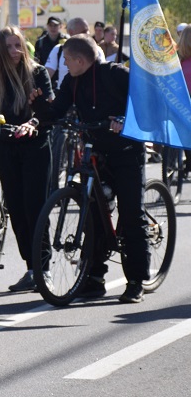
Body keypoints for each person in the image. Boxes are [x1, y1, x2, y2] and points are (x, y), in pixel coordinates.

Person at [47, 35, 149, 303]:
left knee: (131, 216)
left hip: (127, 153)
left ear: (80, 60)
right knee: (93, 215)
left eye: (67, 60)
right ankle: (94, 278)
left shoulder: (116, 74)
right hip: (97, 155)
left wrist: (125, 119)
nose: (65, 65)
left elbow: (144, 100)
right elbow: (57, 109)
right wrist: (35, 116)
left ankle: (137, 280)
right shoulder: (73, 80)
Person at [0, 25, 54, 293]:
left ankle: (44, 269)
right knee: (15, 209)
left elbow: (49, 110)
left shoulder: (36, 72)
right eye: (9, 47)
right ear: (0, 51)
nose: (15, 51)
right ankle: (31, 267)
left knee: (35, 207)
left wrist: (33, 122)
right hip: (7, 147)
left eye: (18, 45)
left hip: (36, 146)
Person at [45, 16, 100, 88]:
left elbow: (100, 73)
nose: (88, 33)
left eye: (88, 30)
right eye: (84, 31)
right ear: (71, 32)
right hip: (64, 96)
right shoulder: (58, 50)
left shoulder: (96, 49)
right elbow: (47, 75)